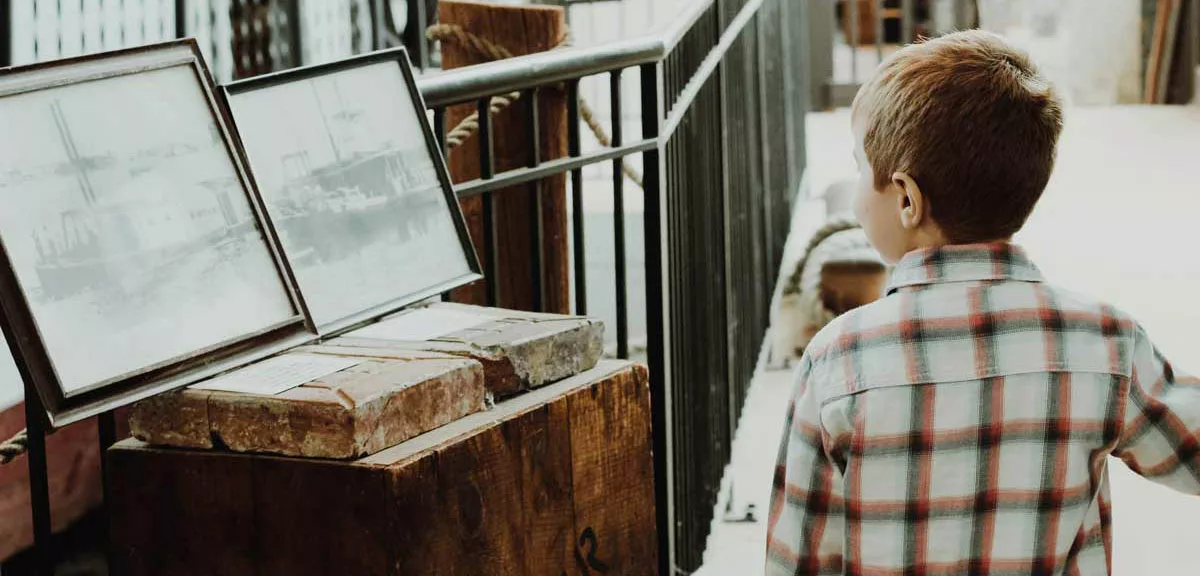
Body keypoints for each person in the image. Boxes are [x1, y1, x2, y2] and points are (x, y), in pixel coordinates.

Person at [765, 29, 1200, 575]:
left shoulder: (836, 362)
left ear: (906, 198)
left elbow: (798, 558)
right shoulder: (1104, 344)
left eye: (858, 168)